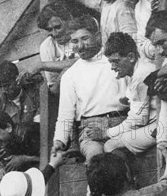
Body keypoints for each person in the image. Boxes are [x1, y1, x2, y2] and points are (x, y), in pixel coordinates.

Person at [53, 14, 128, 163]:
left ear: (98, 37)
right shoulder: (71, 75)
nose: (80, 46)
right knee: (95, 159)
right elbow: (65, 115)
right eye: (74, 41)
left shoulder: (115, 63)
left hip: (119, 124)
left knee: (117, 157)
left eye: (85, 38)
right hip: (89, 129)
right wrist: (59, 141)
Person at [86, 32, 157, 154]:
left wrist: (106, 133)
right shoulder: (139, 69)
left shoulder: (140, 76)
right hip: (152, 123)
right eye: (110, 62)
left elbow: (137, 121)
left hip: (158, 126)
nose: (112, 67)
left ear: (131, 57)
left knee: (110, 146)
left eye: (116, 61)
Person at [34, 2, 77, 95]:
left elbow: (81, 62)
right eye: (49, 30)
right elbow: (54, 89)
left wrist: (43, 65)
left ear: (68, 20)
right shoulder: (47, 46)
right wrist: (62, 76)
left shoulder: (79, 36)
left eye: (58, 27)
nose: (55, 34)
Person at [0, 61, 40, 127]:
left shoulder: (31, 92)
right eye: (1, 87)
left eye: (7, 85)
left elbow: (39, 121)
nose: (3, 90)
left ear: (17, 79)